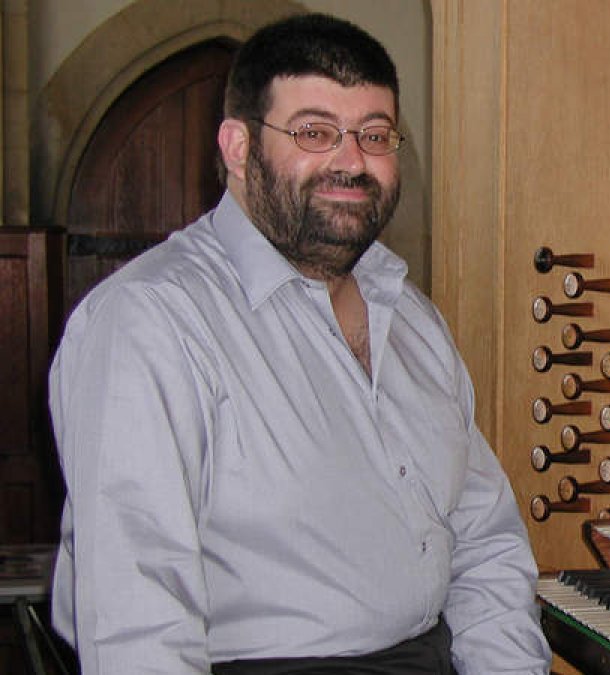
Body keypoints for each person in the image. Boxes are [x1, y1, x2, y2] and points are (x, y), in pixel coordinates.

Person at [48, 13, 551, 674]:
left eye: (375, 134)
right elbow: (138, 624)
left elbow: (485, 546)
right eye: (314, 131)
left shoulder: (415, 319)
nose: (351, 160)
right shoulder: (150, 321)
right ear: (237, 147)